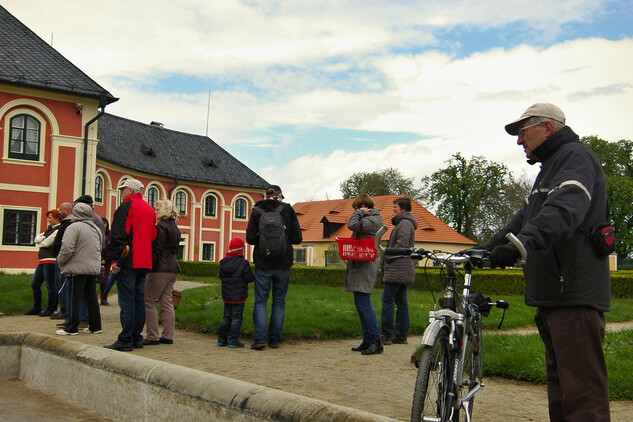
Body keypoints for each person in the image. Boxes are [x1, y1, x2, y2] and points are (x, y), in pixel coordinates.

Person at [481, 103, 611, 421]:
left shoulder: (574, 157)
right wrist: (483, 251)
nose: (519, 141)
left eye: (523, 132)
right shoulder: (550, 168)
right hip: (555, 296)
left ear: (547, 128)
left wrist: (520, 245)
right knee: (562, 389)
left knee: (582, 393)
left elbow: (564, 209)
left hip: (574, 296)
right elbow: (522, 219)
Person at [246, 184, 302, 350]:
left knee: (261, 301)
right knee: (278, 303)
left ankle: (260, 340)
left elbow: (250, 238)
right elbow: (297, 238)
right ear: (280, 195)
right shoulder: (288, 210)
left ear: (266, 196)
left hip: (263, 262)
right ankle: (275, 340)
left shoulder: (257, 210)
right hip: (283, 262)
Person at [104, 178, 156, 352]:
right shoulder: (149, 209)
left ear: (130, 191)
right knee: (139, 300)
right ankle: (136, 337)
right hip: (144, 260)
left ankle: (125, 338)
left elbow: (119, 234)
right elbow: (153, 235)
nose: (121, 192)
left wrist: (114, 260)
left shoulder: (126, 207)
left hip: (127, 260)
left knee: (127, 301)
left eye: (123, 189)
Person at [55, 203, 103, 335]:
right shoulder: (95, 228)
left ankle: (72, 327)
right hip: (92, 267)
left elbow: (67, 248)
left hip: (77, 267)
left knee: (74, 298)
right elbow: (100, 246)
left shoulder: (73, 227)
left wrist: (60, 261)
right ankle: (96, 326)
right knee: (91, 297)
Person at [346, 193, 384, 355]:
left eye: (356, 208)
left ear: (363, 207)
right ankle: (367, 339)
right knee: (360, 304)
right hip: (360, 263)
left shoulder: (374, 220)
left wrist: (359, 213)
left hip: (366, 265)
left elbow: (352, 224)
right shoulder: (367, 218)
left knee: (364, 304)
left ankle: (375, 340)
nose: (355, 211)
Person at [143, 199, 181, 346]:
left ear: (164, 210)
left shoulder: (161, 227)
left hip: (160, 268)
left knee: (149, 301)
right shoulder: (175, 227)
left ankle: (152, 335)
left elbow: (158, 249)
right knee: (166, 302)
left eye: (157, 208)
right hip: (173, 267)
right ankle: (168, 335)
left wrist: (150, 266)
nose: (155, 211)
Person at [381, 197, 417, 345]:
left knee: (387, 299)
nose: (393, 209)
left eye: (395, 207)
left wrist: (387, 252)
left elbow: (402, 245)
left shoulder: (404, 224)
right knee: (401, 301)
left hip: (397, 267)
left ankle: (387, 334)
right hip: (403, 267)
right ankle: (401, 334)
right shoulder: (406, 223)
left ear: (403, 208)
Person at [217, 236, 255, 348]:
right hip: (239, 295)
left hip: (227, 295)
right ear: (241, 249)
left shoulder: (223, 262)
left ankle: (221, 339)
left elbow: (221, 276)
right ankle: (233, 341)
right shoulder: (243, 263)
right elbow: (249, 278)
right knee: (236, 318)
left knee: (226, 317)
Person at [23, 209, 61, 317]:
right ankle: (37, 307)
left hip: (50, 260)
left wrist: (41, 240)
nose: (48, 220)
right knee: (35, 284)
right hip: (42, 260)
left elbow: (46, 243)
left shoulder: (58, 230)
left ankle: (51, 308)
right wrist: (41, 239)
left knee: (50, 285)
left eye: (50, 218)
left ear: (57, 218)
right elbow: (36, 239)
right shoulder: (48, 230)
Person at [50, 202, 73, 322]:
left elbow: (65, 243)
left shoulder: (68, 223)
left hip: (63, 258)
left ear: (67, 211)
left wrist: (61, 258)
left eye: (61, 209)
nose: (58, 211)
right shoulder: (66, 222)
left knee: (63, 285)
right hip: (60, 257)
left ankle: (65, 311)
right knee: (61, 284)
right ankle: (64, 310)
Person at [99, 217, 111, 305]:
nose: (103, 225)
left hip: (107, 260)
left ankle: (104, 298)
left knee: (105, 280)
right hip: (96, 259)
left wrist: (105, 259)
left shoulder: (110, 235)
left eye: (105, 223)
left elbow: (111, 248)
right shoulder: (96, 233)